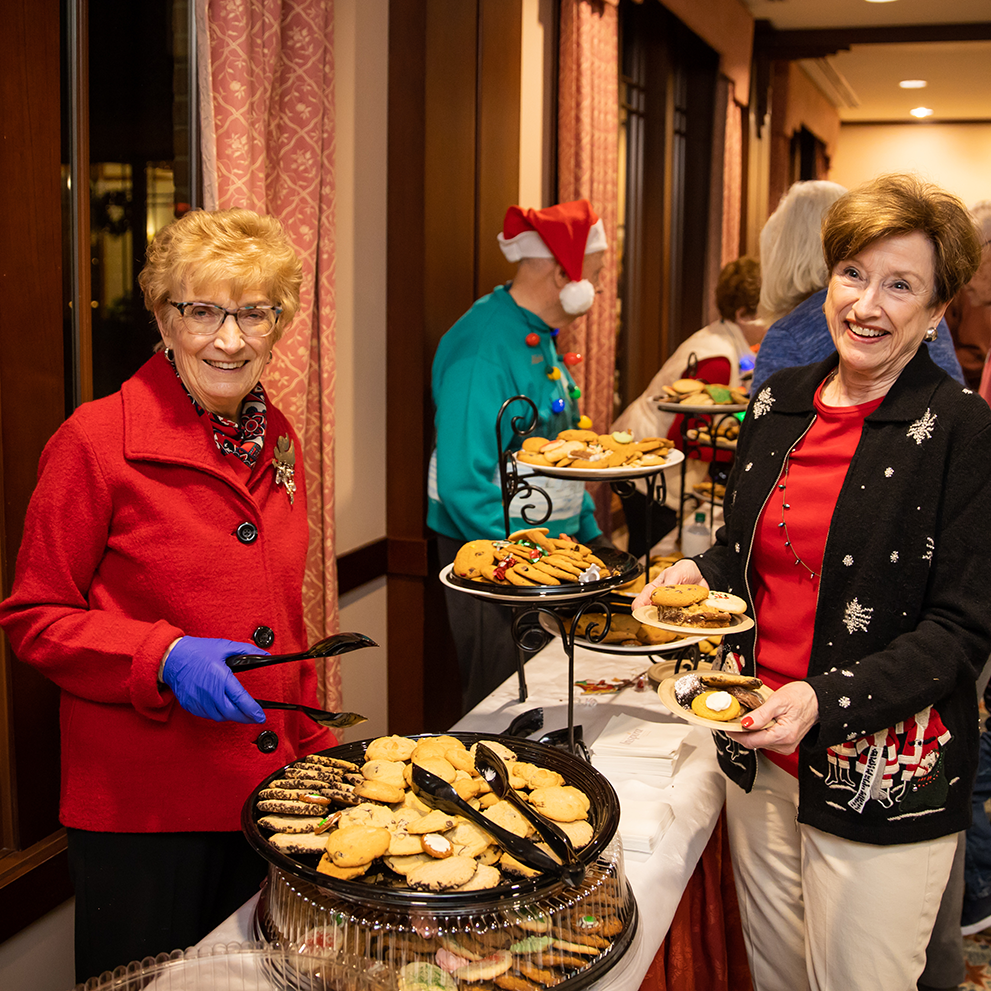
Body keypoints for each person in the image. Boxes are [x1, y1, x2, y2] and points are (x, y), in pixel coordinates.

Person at [634, 174, 991, 991]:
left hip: (882, 772)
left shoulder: (960, 431)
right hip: (761, 749)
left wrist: (821, 701)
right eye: (852, 274)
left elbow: (960, 631)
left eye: (900, 285)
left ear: (935, 312)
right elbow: (743, 549)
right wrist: (695, 569)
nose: (866, 304)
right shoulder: (778, 401)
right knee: (782, 978)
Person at [0, 209, 334, 983]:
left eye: (254, 311)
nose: (229, 338)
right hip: (142, 814)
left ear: (277, 322)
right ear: (162, 316)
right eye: (202, 310)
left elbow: (284, 611)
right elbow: (33, 617)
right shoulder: (92, 441)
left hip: (262, 797)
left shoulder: (277, 436)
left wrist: (313, 752)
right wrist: (166, 654)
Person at [429, 199, 607, 712]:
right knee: (508, 705)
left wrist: (590, 533)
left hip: (547, 546)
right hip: (495, 555)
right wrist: (533, 562)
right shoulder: (484, 343)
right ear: (561, 274)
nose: (596, 287)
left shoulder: (541, 334)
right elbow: (465, 483)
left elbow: (565, 450)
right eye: (593, 274)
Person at [612, 256, 763, 557]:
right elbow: (689, 434)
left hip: (644, 455)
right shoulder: (717, 358)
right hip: (645, 461)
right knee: (650, 548)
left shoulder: (720, 338)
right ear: (745, 314)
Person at [753, 180, 964, 392]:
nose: (864, 308)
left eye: (899, 285)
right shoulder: (921, 307)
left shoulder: (786, 335)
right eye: (852, 273)